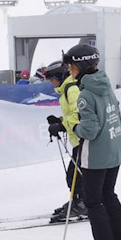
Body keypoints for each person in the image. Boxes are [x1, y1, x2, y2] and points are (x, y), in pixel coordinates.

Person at [63, 44, 121, 240]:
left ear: (82, 66)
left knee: (93, 200)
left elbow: (90, 131)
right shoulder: (105, 87)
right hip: (114, 151)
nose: (69, 71)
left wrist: (71, 127)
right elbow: (119, 120)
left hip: (96, 157)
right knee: (108, 194)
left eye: (72, 66)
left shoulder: (86, 95)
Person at [43, 60, 87, 222]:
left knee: (75, 175)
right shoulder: (67, 89)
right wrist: (59, 121)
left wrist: (61, 125)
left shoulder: (72, 89)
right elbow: (71, 115)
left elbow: (78, 115)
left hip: (84, 139)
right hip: (78, 140)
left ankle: (83, 204)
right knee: (76, 175)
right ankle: (78, 201)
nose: (50, 82)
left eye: (51, 78)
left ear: (59, 76)